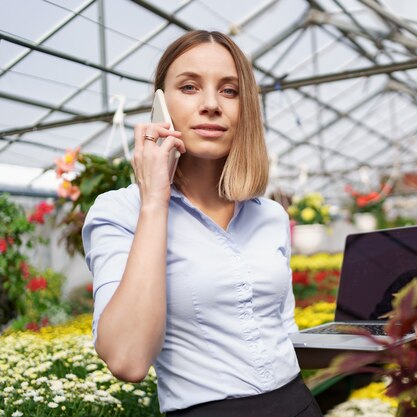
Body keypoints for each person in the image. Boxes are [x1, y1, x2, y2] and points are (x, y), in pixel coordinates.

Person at [82, 30, 323, 417]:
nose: (211, 105)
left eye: (229, 91)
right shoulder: (120, 212)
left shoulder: (270, 215)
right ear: (160, 103)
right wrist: (155, 200)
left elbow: (282, 328)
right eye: (190, 86)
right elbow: (127, 360)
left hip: (298, 403)